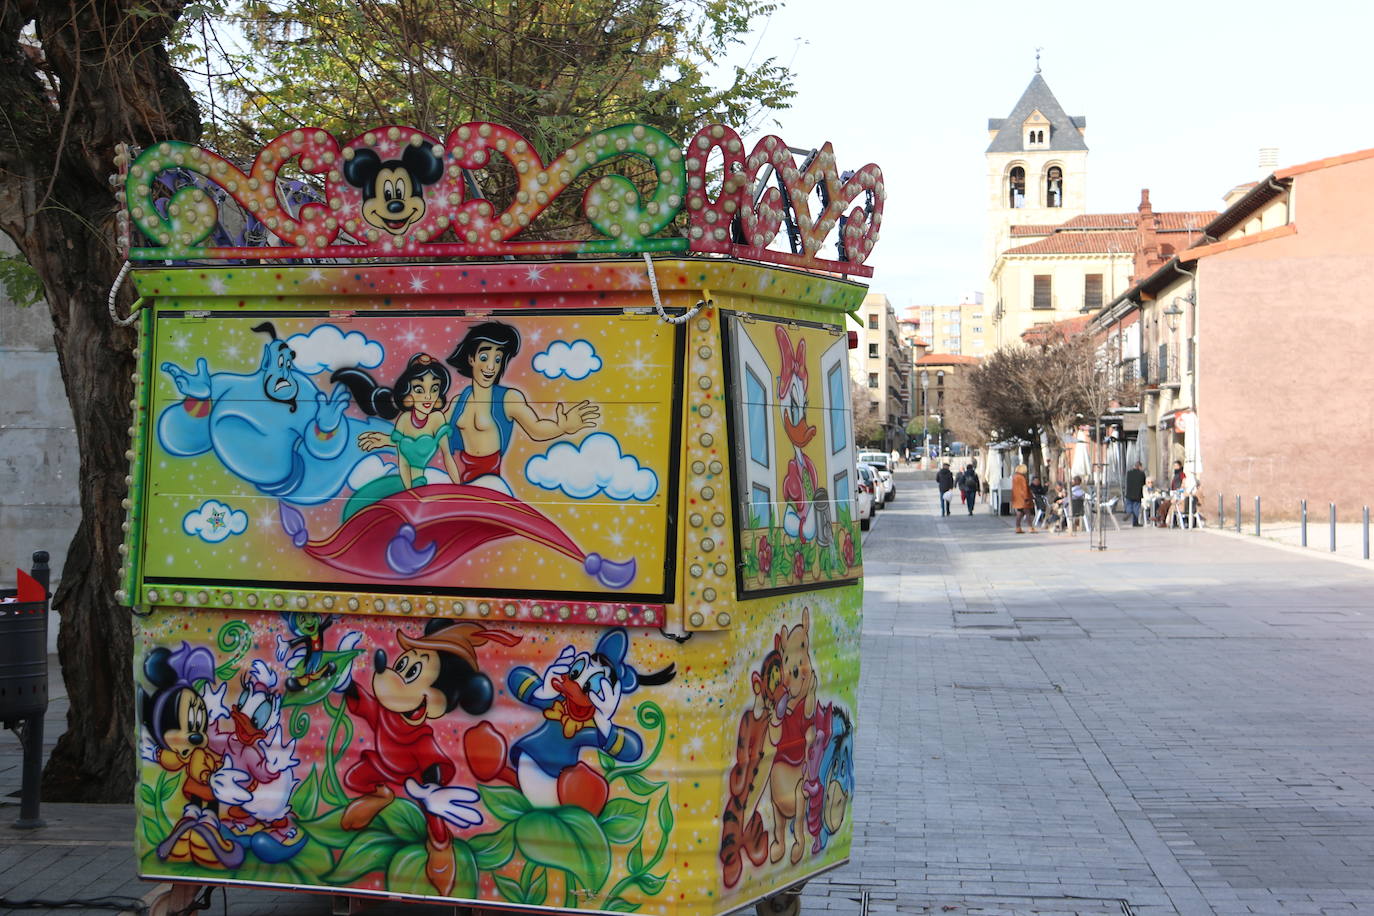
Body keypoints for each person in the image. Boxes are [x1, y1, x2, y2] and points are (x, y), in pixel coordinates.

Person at [1011, 463, 1034, 533]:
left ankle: (1018, 527)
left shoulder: (1014, 477)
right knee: (1028, 513)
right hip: (1023, 498)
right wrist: (1027, 497)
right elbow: (1024, 489)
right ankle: (1030, 527)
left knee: (1019, 513)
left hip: (1017, 498)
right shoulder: (1022, 478)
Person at [1125, 461, 1146, 527]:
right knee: (1136, 508)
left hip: (1129, 493)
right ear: (1140, 466)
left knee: (1129, 504)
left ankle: (1128, 512)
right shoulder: (1142, 474)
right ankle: (1135, 522)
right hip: (1137, 494)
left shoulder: (1129, 473)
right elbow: (1143, 483)